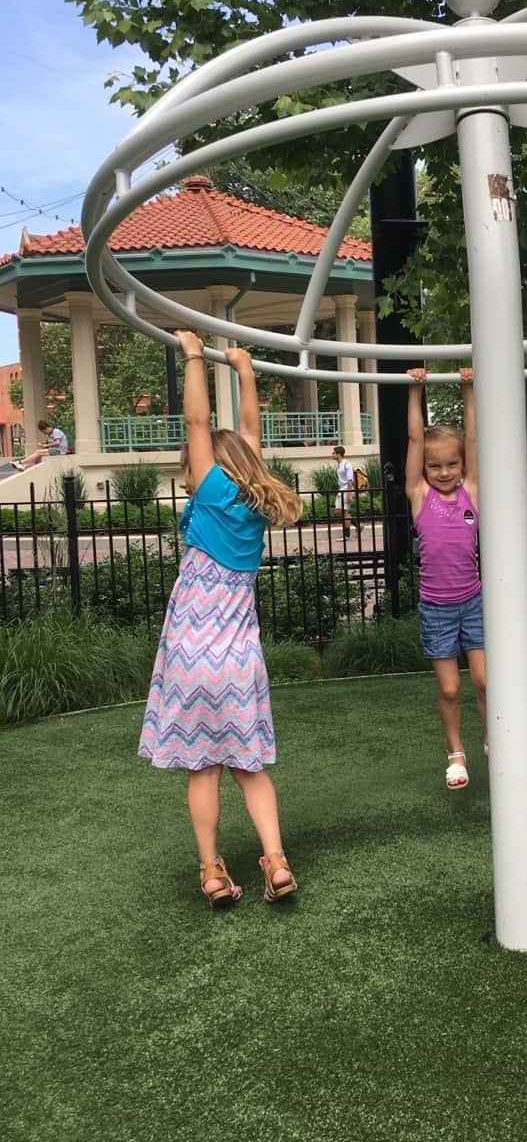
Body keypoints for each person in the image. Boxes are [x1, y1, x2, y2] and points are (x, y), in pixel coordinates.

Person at [138, 331, 303, 907]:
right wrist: (245, 369)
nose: (188, 465)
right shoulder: (252, 505)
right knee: (249, 769)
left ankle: (211, 872)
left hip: (188, 660)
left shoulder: (207, 493)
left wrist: (191, 358)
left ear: (208, 466)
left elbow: (196, 422)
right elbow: (248, 431)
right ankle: (276, 862)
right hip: (237, 663)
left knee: (202, 771)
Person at [406, 367, 486, 789]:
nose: (443, 471)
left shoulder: (472, 488)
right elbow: (415, 440)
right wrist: (415, 391)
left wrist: (468, 389)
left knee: (485, 679)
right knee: (452, 689)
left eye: (450, 464)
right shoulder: (420, 497)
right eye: (434, 466)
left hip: (472, 601)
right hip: (436, 607)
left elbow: (473, 440)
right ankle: (456, 752)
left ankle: (495, 736)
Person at [332, 445, 358, 540]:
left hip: (347, 489)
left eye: (334, 453)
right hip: (342, 489)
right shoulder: (339, 464)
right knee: (339, 511)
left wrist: (350, 494)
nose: (332, 454)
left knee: (345, 512)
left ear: (339, 454)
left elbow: (350, 480)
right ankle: (357, 525)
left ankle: (346, 535)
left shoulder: (347, 464)